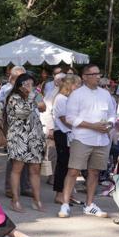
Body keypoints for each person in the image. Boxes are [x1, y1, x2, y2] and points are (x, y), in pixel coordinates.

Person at [58, 64, 116, 218]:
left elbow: (112, 114)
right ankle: (65, 204)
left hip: (102, 140)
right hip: (82, 138)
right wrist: (92, 126)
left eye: (99, 73)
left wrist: (109, 125)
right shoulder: (76, 94)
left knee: (95, 172)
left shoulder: (105, 94)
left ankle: (89, 205)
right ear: (84, 77)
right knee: (73, 171)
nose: (98, 76)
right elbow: (69, 117)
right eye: (93, 74)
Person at [5, 73, 46, 212]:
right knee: (17, 169)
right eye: (27, 84)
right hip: (19, 138)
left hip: (35, 137)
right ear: (20, 85)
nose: (30, 87)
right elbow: (22, 113)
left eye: (32, 84)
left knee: (35, 169)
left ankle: (37, 200)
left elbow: (43, 107)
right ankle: (15, 200)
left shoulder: (34, 95)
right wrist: (31, 97)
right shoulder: (13, 98)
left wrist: (34, 96)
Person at [52, 75, 82, 205]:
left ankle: (66, 193)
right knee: (63, 165)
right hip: (63, 134)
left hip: (69, 134)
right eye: (77, 84)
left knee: (70, 166)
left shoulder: (68, 98)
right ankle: (59, 194)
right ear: (70, 85)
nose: (79, 87)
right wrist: (82, 126)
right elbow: (65, 119)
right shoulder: (61, 99)